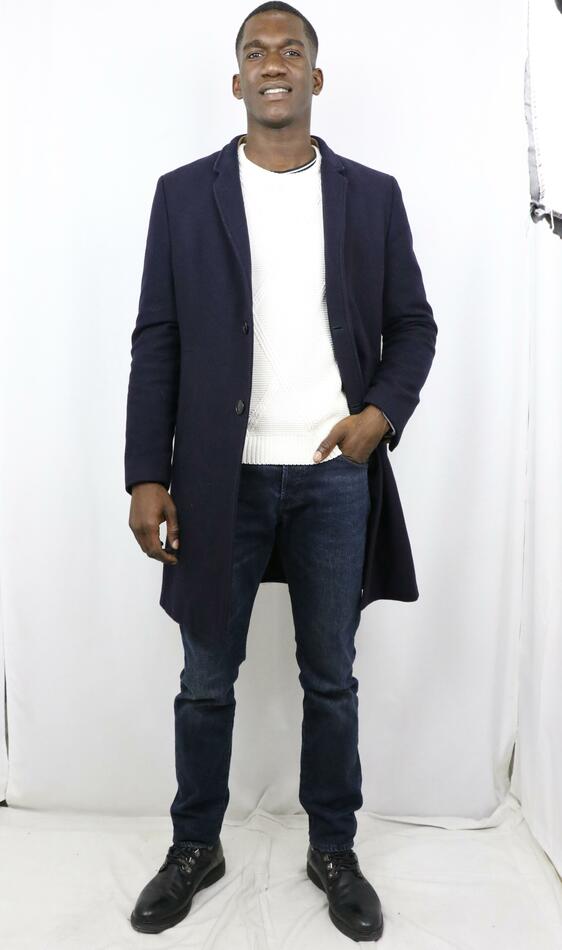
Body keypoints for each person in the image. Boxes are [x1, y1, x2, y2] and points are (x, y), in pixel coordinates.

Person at [126, 2, 437, 941]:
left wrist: (379, 416)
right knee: (205, 679)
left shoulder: (370, 195)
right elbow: (158, 339)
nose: (274, 63)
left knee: (331, 678)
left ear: (314, 76)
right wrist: (146, 474)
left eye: (290, 50)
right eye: (256, 52)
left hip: (333, 474)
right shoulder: (184, 195)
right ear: (237, 81)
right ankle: (196, 846)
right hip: (217, 479)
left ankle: (333, 847)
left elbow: (413, 325)